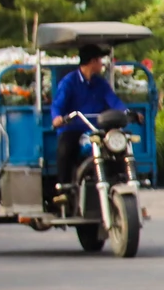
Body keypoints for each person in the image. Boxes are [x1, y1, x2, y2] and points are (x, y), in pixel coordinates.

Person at [50, 44, 119, 190]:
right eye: (100, 60)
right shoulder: (69, 82)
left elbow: (114, 101)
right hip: (74, 128)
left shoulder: (100, 83)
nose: (102, 64)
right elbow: (57, 105)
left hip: (96, 129)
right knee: (65, 150)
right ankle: (64, 189)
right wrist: (57, 118)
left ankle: (117, 182)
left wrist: (127, 113)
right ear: (92, 62)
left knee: (116, 149)